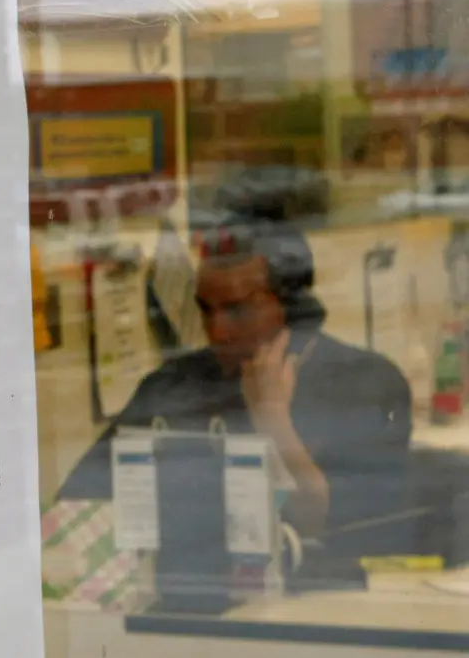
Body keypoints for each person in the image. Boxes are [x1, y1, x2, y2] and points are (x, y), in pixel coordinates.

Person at [59, 217, 413, 538]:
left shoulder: (365, 383)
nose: (217, 331)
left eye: (238, 310)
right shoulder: (172, 387)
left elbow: (340, 526)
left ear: (292, 307)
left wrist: (273, 421)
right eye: (205, 310)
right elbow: (75, 507)